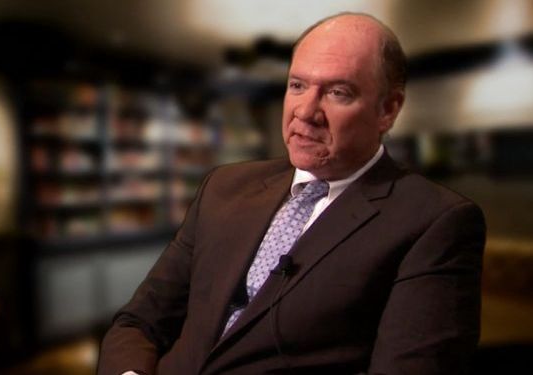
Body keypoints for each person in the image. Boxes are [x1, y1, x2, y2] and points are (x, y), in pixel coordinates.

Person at [98, 12, 486, 375]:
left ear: (388, 109)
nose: (305, 111)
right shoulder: (223, 187)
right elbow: (140, 322)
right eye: (297, 85)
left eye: (337, 92)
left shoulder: (436, 222)